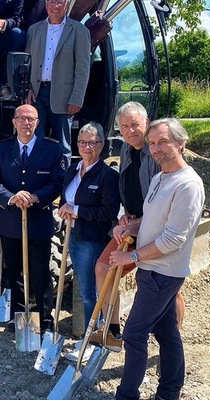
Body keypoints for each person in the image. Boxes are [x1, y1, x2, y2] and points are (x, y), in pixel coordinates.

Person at [109, 118, 205, 400]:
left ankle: (126, 395)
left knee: (134, 334)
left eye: (163, 142)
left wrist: (132, 255)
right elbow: (152, 220)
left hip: (163, 273)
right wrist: (131, 227)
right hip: (151, 270)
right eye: (152, 143)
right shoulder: (160, 177)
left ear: (180, 143)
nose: (156, 148)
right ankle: (169, 392)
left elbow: (173, 239)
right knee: (167, 334)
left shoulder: (188, 185)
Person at [90, 102, 186, 351]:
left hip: (156, 228)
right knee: (104, 268)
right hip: (132, 224)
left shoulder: (157, 155)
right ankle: (112, 331)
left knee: (167, 288)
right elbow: (128, 186)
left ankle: (172, 340)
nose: (130, 131)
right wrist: (125, 215)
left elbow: (162, 206)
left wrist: (138, 222)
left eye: (134, 125)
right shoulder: (126, 150)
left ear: (146, 122)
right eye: (124, 127)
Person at [0, 104, 65, 333]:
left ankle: (45, 317)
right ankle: (19, 315)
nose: (26, 123)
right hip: (10, 220)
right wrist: (12, 198)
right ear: (14, 122)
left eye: (31, 119)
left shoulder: (52, 150)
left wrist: (35, 196)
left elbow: (57, 182)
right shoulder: (1, 149)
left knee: (41, 271)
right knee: (14, 271)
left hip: (38, 221)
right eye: (21, 118)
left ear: (38, 122)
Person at [57, 122, 120, 332]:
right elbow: (67, 197)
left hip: (92, 241)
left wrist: (77, 210)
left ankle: (92, 335)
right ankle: (94, 333)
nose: (86, 147)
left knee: (88, 292)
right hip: (73, 235)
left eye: (92, 143)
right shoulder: (73, 169)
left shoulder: (107, 176)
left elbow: (108, 212)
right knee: (86, 291)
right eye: (82, 142)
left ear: (101, 145)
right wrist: (66, 210)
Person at [25, 0, 91, 162]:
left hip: (64, 96)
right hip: (37, 95)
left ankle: (63, 184)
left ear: (67, 4)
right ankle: (36, 183)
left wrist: (77, 98)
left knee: (62, 146)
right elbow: (26, 63)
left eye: (60, 2)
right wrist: (26, 88)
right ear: (46, 3)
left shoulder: (79, 30)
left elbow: (82, 69)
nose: (55, 6)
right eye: (52, 1)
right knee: (35, 142)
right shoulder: (34, 30)